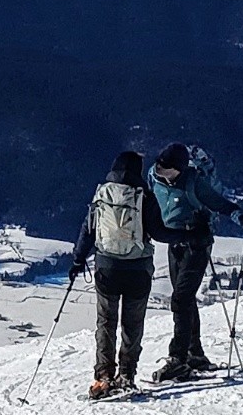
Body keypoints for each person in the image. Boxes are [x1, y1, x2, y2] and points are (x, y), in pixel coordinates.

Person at [69, 150, 187, 399]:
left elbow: (87, 230)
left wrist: (78, 260)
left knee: (106, 322)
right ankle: (126, 375)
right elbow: (158, 233)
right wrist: (186, 235)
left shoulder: (102, 194)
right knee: (132, 326)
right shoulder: (145, 196)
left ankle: (103, 376)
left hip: (106, 268)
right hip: (137, 269)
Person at [146, 143, 243, 382]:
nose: (161, 172)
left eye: (167, 169)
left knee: (181, 298)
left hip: (197, 243)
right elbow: (148, 199)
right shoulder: (153, 177)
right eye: (159, 167)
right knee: (183, 298)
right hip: (175, 241)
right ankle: (194, 354)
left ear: (180, 168)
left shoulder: (194, 182)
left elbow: (220, 204)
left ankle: (178, 359)